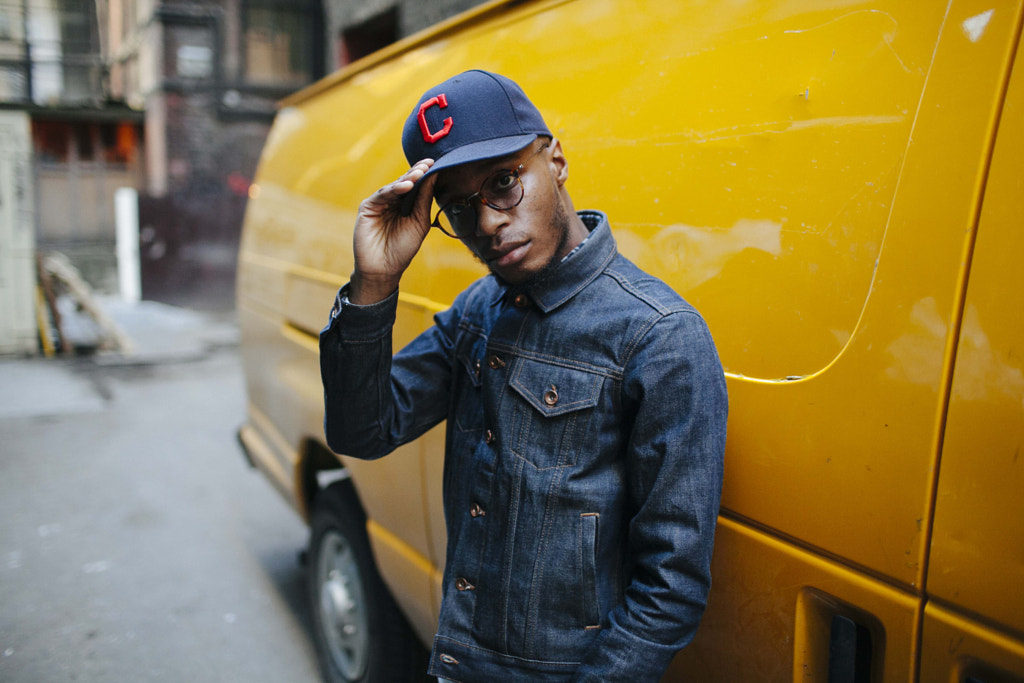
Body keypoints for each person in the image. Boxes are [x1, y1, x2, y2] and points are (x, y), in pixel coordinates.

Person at [320, 69, 728, 682]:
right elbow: (363, 432)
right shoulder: (476, 312)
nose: (486, 223)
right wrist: (375, 283)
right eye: (458, 207)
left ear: (556, 159)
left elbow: (670, 588)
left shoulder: (659, 336)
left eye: (504, 183)